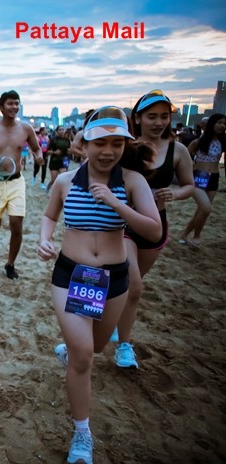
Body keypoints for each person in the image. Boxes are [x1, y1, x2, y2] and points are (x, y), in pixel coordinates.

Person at [38, 107, 161, 464]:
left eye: (116, 144)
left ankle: (73, 351)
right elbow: (49, 215)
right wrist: (44, 239)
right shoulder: (65, 180)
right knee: (82, 356)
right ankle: (82, 434)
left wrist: (115, 202)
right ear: (85, 143)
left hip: (114, 278)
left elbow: (154, 230)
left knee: (96, 348)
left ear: (125, 145)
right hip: (71, 274)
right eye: (100, 143)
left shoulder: (133, 181)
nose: (108, 151)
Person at [114, 90, 195, 368]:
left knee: (127, 287)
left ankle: (114, 326)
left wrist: (175, 193)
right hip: (123, 224)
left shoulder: (177, 150)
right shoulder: (126, 147)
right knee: (134, 285)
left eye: (164, 116)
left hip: (154, 225)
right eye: (152, 116)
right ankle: (124, 346)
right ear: (138, 118)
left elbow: (189, 185)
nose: (159, 122)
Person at [0, 90, 44, 279]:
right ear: (1, 107)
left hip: (16, 182)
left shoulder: (26, 128)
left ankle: (10, 264)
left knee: (16, 225)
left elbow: (37, 149)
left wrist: (39, 157)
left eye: (17, 103)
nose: (14, 107)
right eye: (10, 103)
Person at [179, 113, 225, 247]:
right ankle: (197, 237)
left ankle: (184, 235)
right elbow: (184, 157)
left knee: (201, 211)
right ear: (212, 124)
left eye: (224, 124)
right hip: (199, 177)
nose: (222, 126)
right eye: (219, 122)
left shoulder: (222, 142)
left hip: (214, 178)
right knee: (206, 209)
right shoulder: (198, 142)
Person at [47, 126, 72, 192]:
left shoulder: (67, 140)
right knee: (54, 180)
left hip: (64, 161)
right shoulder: (53, 139)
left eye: (63, 129)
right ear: (57, 131)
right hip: (54, 161)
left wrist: (70, 151)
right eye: (60, 130)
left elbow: (70, 149)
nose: (61, 131)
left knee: (62, 179)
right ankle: (49, 185)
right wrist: (54, 152)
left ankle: (59, 193)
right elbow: (47, 151)